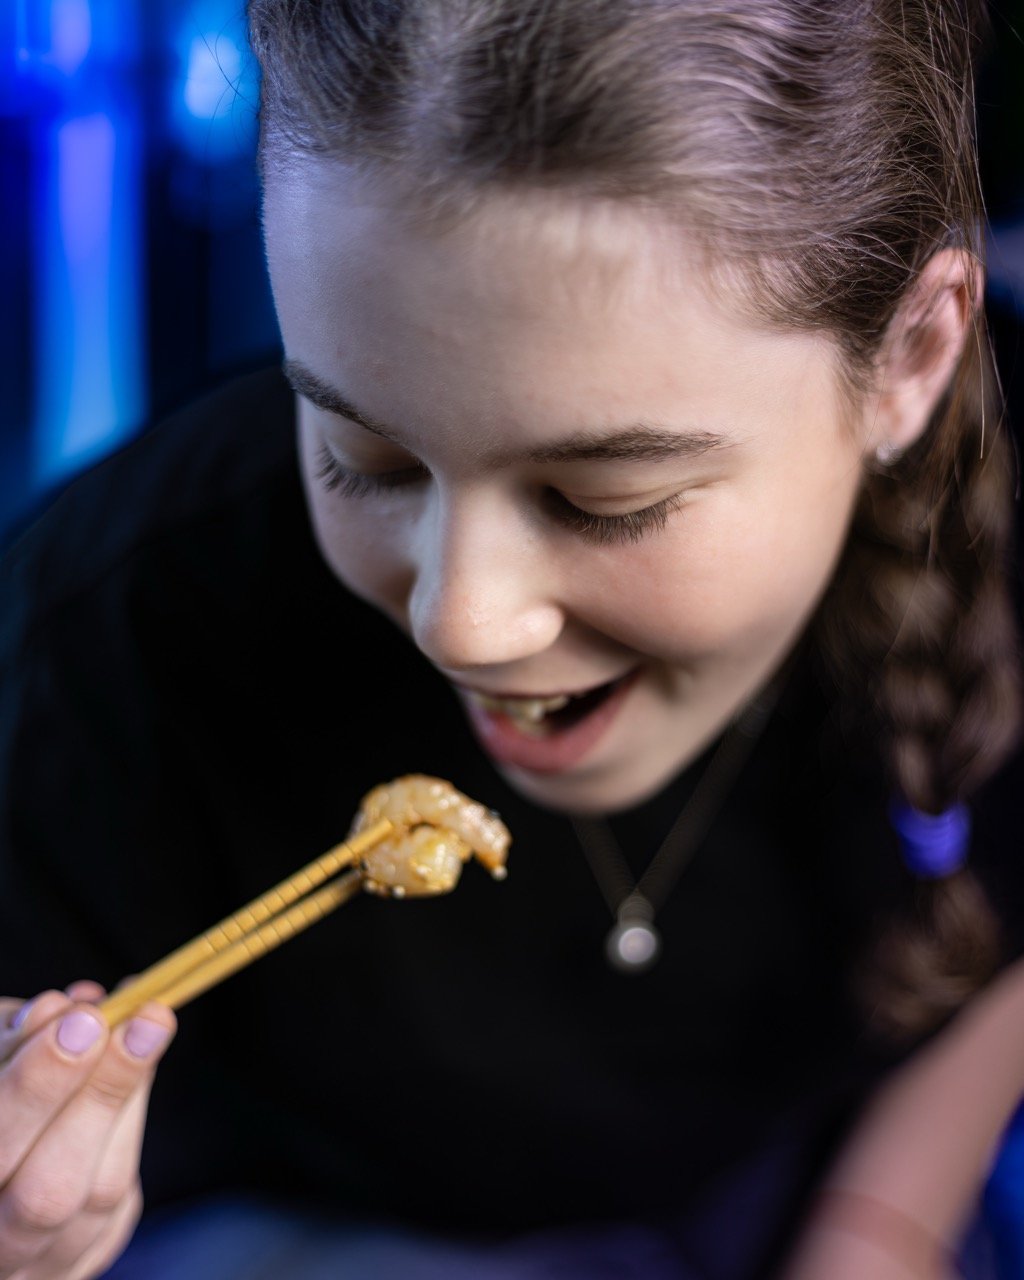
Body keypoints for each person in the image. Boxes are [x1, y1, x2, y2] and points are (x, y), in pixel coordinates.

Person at [0, 0, 1022, 1277]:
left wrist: (881, 1224)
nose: (460, 623)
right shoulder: (107, 631)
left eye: (605, 498)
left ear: (912, 358)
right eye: (364, 456)